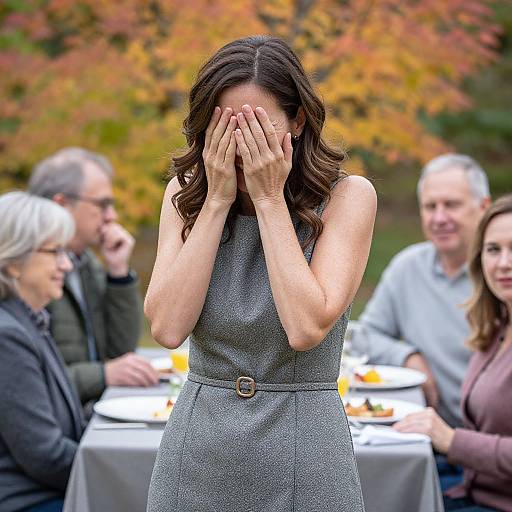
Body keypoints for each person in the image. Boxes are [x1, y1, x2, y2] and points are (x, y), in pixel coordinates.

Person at [144, 35, 376, 511]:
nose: (243, 146)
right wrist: (216, 202)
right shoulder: (182, 196)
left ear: (297, 119)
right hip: (197, 452)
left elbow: (306, 326)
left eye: (259, 128)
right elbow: (167, 327)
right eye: (227, 128)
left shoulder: (349, 198)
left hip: (304, 450)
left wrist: (269, 200)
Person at [352, 153, 491, 428]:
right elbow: (364, 336)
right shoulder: (408, 268)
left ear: (484, 207)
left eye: (451, 205)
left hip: (491, 447)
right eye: (430, 207)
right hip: (428, 438)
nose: (439, 218)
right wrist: (408, 357)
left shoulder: (501, 275)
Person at [394, 194, 512, 512]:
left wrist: (450, 440)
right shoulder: (497, 327)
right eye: (494, 249)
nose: (503, 263)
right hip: (470, 484)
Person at [28, 148, 158, 406]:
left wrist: (118, 274)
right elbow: (30, 383)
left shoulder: (86, 263)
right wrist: (102, 375)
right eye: (102, 204)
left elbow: (120, 352)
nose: (113, 216)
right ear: (62, 204)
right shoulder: (26, 274)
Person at [0, 191, 86, 512]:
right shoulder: (8, 335)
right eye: (54, 252)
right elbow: (43, 455)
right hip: (30, 501)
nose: (66, 264)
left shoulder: (29, 320)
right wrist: (111, 465)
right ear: (12, 263)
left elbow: (63, 422)